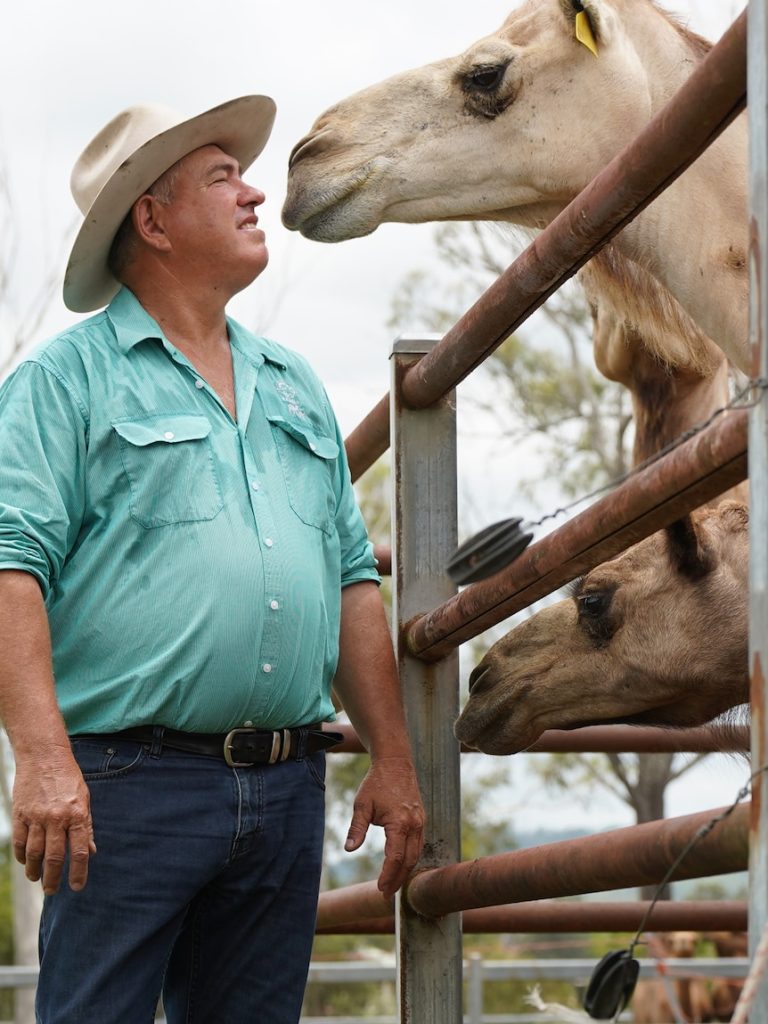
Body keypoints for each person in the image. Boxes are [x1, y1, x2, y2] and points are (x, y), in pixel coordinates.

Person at [0, 95, 425, 1023]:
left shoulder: (295, 383)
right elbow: (9, 565)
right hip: (124, 786)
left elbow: (351, 577)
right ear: (153, 221)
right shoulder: (62, 381)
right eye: (223, 177)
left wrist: (393, 760)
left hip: (286, 786)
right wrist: (40, 759)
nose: (254, 194)